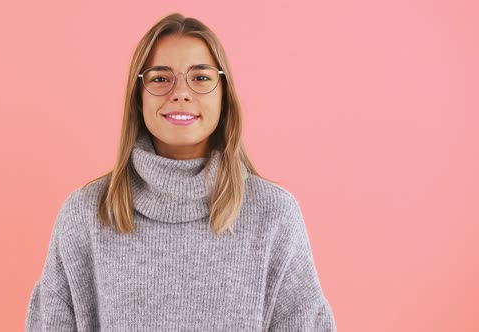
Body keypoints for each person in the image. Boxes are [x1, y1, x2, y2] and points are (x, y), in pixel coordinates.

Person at [25, 13, 337, 332]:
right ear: (138, 96)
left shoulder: (273, 215)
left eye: (200, 78)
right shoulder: (87, 215)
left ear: (224, 95)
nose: (181, 93)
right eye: (161, 78)